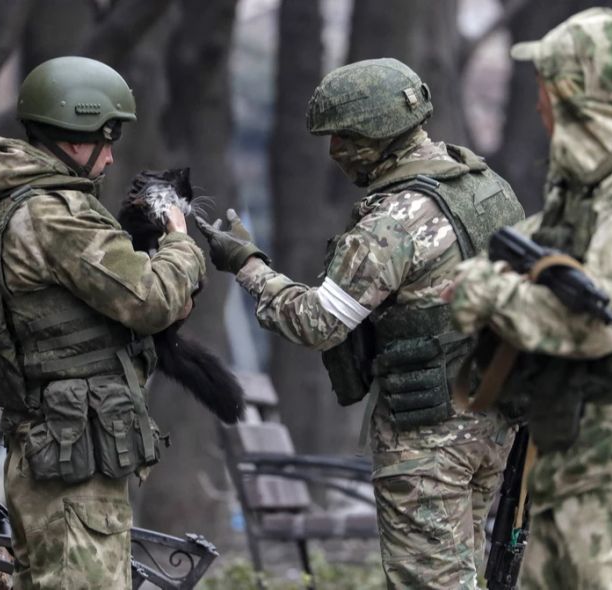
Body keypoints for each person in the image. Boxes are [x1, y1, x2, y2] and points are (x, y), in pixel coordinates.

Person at [197, 58, 525, 588]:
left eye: (343, 138)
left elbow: (317, 322)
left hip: (427, 437)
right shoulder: (486, 188)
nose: (335, 153)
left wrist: (249, 266)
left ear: (377, 133)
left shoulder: (393, 220)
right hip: (491, 421)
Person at [447, 8, 612, 589]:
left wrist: (491, 294)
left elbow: (599, 325)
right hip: (569, 448)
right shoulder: (584, 188)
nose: (538, 104)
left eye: (544, 86)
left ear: (567, 91)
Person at [0, 56, 205, 589]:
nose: (111, 155)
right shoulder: (53, 214)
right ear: (77, 139)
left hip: (60, 451)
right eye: (108, 138)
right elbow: (151, 299)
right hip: (71, 465)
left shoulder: (18, 203)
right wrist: (179, 239)